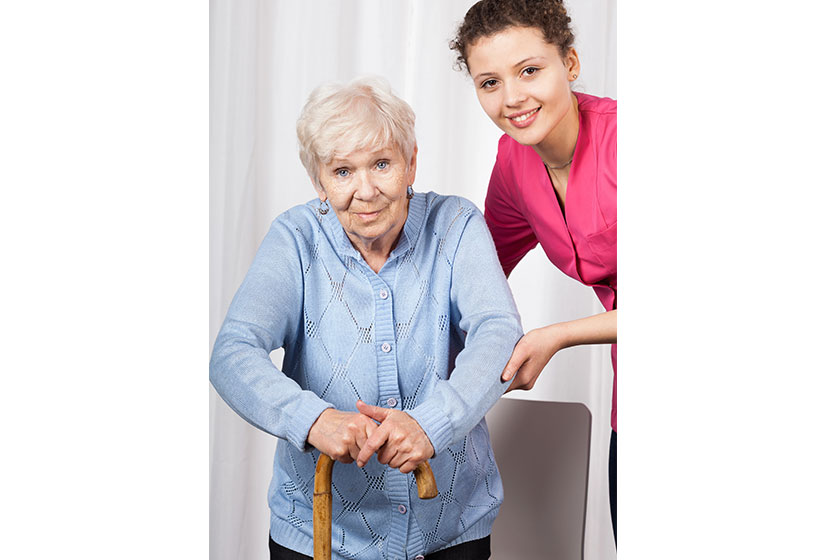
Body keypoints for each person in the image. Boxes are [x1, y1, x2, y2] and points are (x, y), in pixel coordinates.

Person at [209, 76, 523, 560]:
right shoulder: (294, 238)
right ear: (318, 181)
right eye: (342, 171)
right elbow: (233, 353)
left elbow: (498, 331)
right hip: (320, 536)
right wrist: (311, 419)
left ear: (411, 161)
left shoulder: (457, 224)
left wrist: (432, 423)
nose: (366, 190)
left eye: (381, 163)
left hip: (450, 530)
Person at [450, 0, 618, 544]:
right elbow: (476, 278)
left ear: (569, 64)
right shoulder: (513, 163)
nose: (512, 98)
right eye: (489, 82)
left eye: (530, 70)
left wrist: (558, 336)